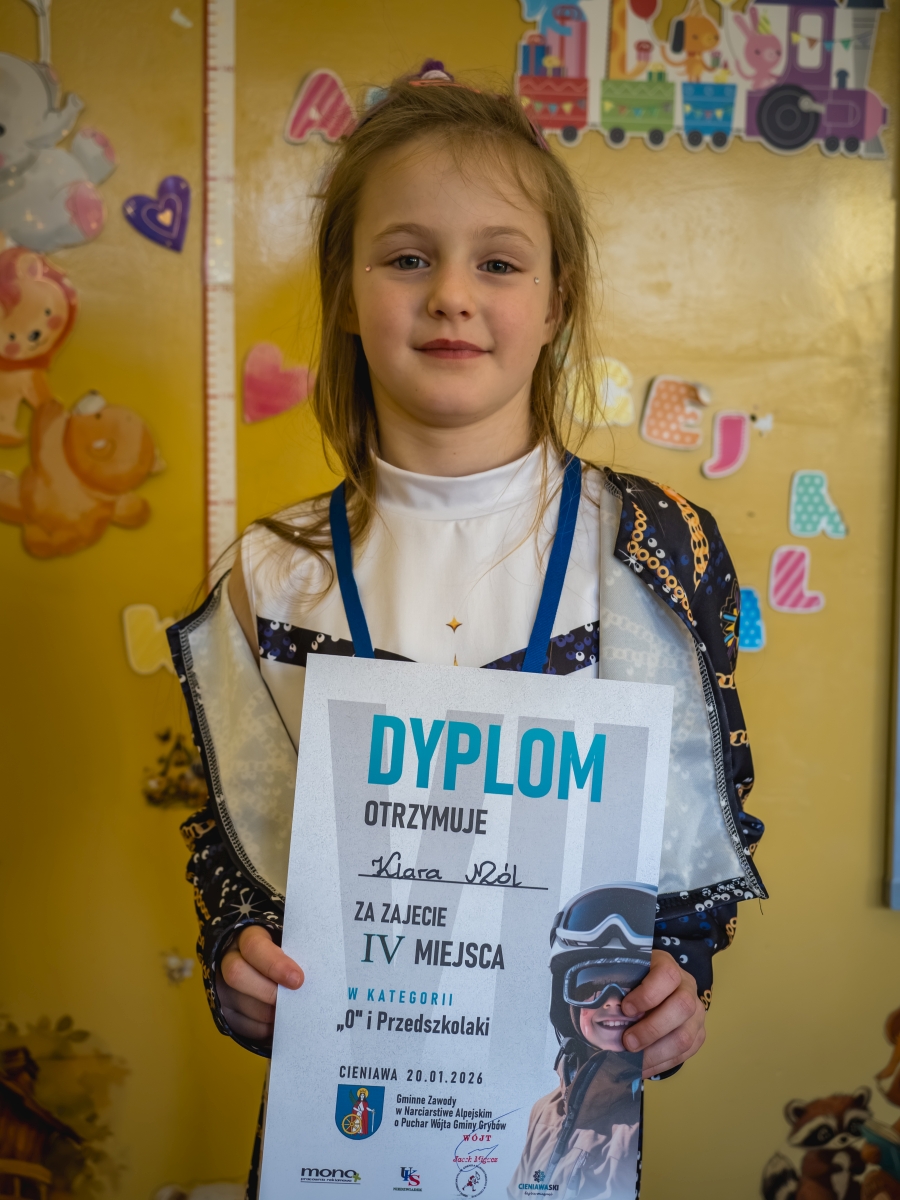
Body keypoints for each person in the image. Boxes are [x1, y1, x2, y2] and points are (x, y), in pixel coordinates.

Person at [168, 62, 766, 1194]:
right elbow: (235, 852)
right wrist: (236, 959)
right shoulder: (267, 574)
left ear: (556, 301)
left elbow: (693, 846)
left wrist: (677, 984)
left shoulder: (653, 551)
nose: (451, 294)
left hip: (557, 1145)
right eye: (407, 258)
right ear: (348, 294)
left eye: (498, 262)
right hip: (339, 1140)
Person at [508, 884, 656, 1199]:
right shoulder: (545, 1110)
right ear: (566, 1007)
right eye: (588, 987)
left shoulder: (654, 1117)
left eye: (634, 985)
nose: (612, 1002)